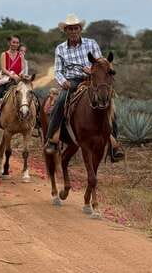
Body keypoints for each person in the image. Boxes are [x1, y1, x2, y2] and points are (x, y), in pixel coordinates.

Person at [44, 14, 124, 162]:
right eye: (70, 29)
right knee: (60, 102)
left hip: (92, 80)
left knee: (109, 103)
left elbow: (101, 62)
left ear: (80, 29)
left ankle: (114, 145)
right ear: (66, 31)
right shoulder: (60, 48)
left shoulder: (91, 43)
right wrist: (63, 81)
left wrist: (92, 70)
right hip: (72, 81)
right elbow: (58, 71)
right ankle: (52, 140)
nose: (73, 31)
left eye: (76, 28)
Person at [0, 35, 29, 135]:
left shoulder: (21, 55)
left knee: (29, 95)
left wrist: (21, 75)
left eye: (17, 43)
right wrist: (12, 75)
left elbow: (22, 69)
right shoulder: (4, 54)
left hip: (18, 80)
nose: (15, 44)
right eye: (13, 42)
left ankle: (33, 120)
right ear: (9, 43)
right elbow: (3, 68)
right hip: (7, 80)